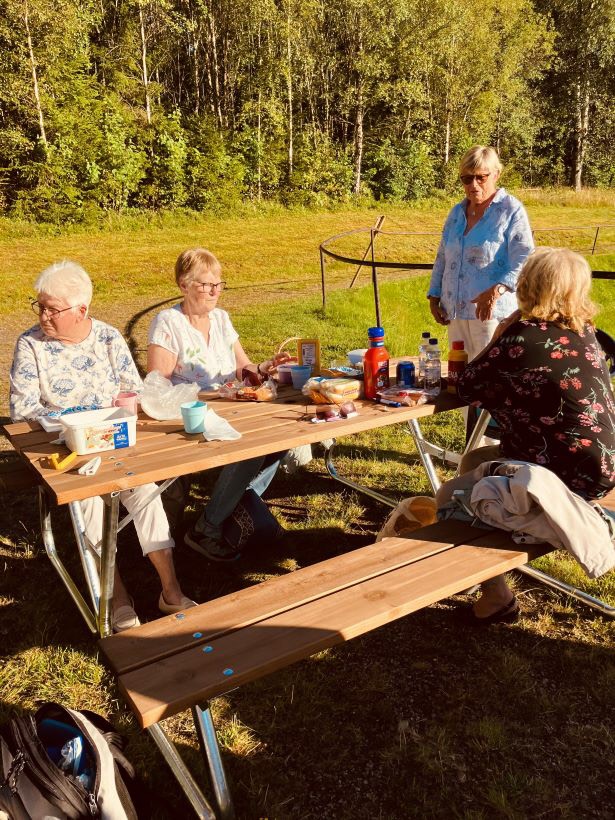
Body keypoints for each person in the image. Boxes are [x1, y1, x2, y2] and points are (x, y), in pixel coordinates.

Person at [9, 260, 196, 630]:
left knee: (145, 492)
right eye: (40, 306)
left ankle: (170, 590)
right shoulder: (31, 344)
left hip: (116, 441)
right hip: (66, 449)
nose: (44, 316)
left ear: (81, 310)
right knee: (91, 504)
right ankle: (116, 595)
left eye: (52, 309)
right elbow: (22, 409)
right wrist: (75, 422)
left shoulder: (108, 337)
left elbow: (133, 390)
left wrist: (122, 410)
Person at [437, 247, 615, 622]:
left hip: (563, 473)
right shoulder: (586, 332)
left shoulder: (521, 338)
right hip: (603, 464)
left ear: (528, 286)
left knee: (450, 496)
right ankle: (487, 573)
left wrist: (499, 334)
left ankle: (495, 596)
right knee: (475, 462)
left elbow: (466, 387)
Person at [147, 248, 290, 562]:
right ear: (183, 285)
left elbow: (242, 368)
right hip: (192, 417)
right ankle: (207, 528)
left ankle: (229, 505)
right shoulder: (168, 323)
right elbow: (157, 387)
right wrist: (200, 399)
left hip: (232, 407)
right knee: (252, 448)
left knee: (283, 437)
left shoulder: (221, 319)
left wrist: (265, 368)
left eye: (218, 284)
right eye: (206, 285)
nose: (214, 291)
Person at [428, 145, 534, 362]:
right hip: (455, 311)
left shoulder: (511, 210)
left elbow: (525, 258)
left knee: (490, 373)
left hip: (492, 313)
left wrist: (498, 289)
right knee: (460, 371)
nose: (473, 185)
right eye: (466, 179)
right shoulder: (457, 212)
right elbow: (443, 256)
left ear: (496, 174)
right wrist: (434, 296)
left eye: (481, 177)